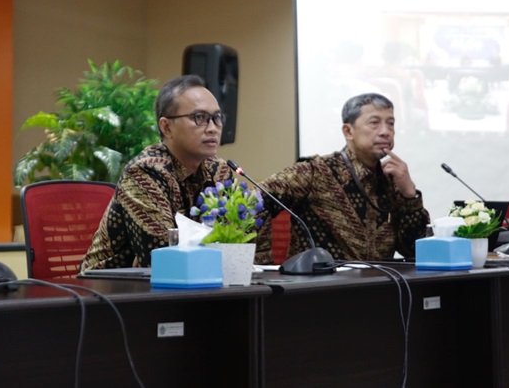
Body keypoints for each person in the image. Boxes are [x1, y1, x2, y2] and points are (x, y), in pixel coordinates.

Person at [80, 75, 244, 272]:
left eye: (217, 118)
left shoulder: (220, 171)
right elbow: (163, 256)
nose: (212, 129)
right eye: (199, 118)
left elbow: (233, 242)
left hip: (193, 280)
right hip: (109, 285)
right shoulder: (143, 173)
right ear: (166, 127)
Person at [259, 93, 430, 262]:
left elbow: (413, 251)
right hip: (322, 279)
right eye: (374, 123)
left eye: (390, 124)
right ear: (348, 131)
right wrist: (262, 264)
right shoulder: (315, 171)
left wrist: (410, 195)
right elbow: (254, 200)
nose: (385, 132)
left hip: (382, 279)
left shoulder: (392, 179)